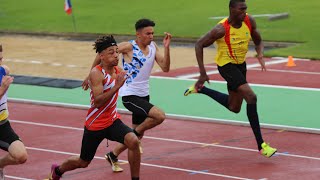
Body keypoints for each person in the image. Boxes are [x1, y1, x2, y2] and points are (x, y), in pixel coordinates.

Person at [184, 0, 277, 158]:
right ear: (232, 9)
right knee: (251, 97)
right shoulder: (221, 29)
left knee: (234, 107)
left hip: (240, 65)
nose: (244, 11)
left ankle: (201, 89)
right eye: (241, 9)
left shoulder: (249, 20)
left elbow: (258, 40)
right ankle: (262, 145)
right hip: (226, 66)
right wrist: (202, 73)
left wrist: (260, 53)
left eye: (245, 8)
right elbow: (199, 44)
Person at [82, 18, 171, 172]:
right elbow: (102, 53)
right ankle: (132, 136)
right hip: (129, 94)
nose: (151, 36)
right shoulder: (129, 46)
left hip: (144, 94)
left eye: (152, 33)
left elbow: (165, 67)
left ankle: (113, 154)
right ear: (138, 34)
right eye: (148, 33)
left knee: (137, 137)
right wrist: (90, 74)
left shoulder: (154, 47)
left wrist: (167, 48)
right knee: (159, 116)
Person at [48, 35, 141, 180]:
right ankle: (58, 170)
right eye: (111, 52)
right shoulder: (96, 74)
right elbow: (98, 102)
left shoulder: (118, 70)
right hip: (95, 126)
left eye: (117, 51)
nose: (116, 55)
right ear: (101, 56)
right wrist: (117, 86)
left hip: (112, 121)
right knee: (83, 162)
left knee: (133, 141)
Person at [0, 44, 28, 180]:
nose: (0, 62)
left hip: (2, 125)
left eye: (1, 58)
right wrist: (2, 89)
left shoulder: (4, 71)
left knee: (21, 156)